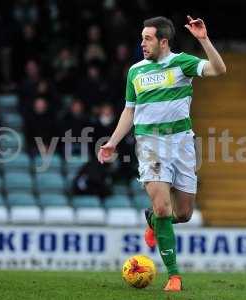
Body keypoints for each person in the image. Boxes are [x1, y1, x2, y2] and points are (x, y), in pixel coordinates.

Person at [97, 16, 226, 291]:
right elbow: (129, 110)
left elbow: (219, 69)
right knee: (163, 207)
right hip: (150, 144)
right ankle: (174, 276)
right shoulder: (135, 71)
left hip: (182, 143)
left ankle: (153, 222)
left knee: (184, 213)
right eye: (142, 38)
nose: (142, 43)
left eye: (148, 38)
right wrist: (113, 142)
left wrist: (203, 40)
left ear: (163, 41)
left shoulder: (182, 63)